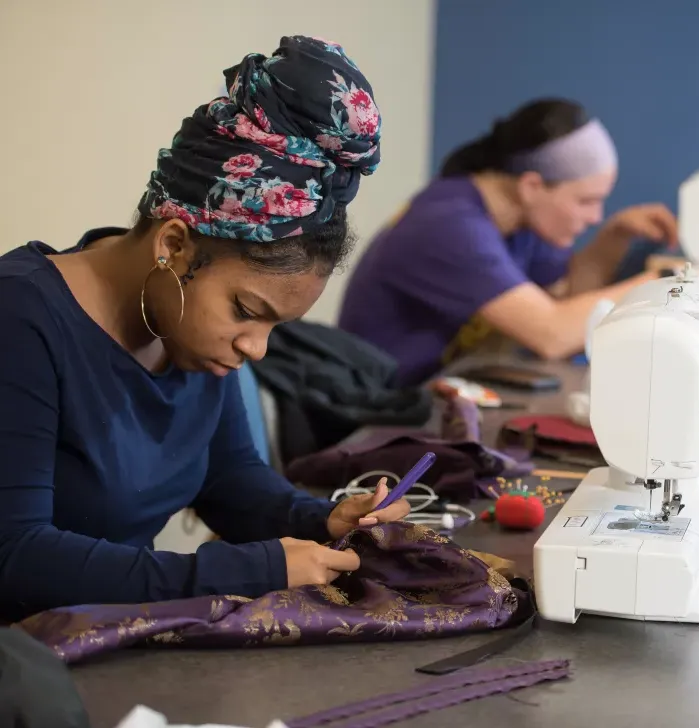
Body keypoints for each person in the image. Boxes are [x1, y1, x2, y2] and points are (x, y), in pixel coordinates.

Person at [0, 36, 412, 624]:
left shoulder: (181, 333)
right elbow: (14, 554)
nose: (256, 348)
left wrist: (319, 520)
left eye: (276, 325)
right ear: (173, 244)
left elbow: (228, 479)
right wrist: (250, 568)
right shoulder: (19, 316)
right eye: (246, 311)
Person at [337, 98, 679, 386]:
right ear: (532, 186)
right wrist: (670, 282)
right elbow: (552, 334)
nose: (595, 216)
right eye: (585, 201)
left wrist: (613, 239)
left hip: (431, 398)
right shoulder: (450, 225)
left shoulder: (521, 220)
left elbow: (569, 298)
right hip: (370, 415)